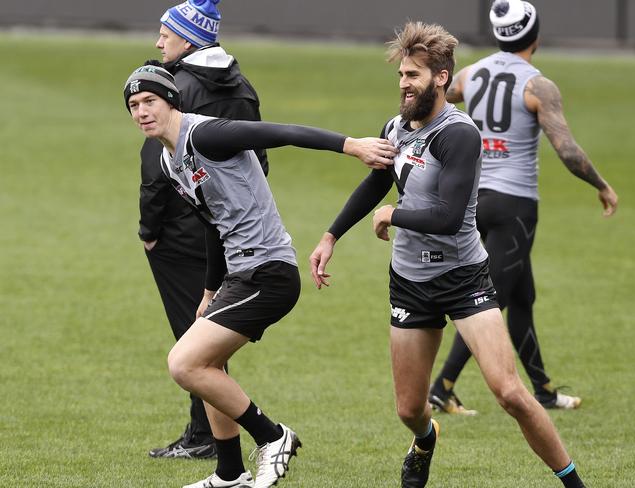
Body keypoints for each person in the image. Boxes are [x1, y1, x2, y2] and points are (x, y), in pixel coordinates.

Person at [309, 21, 587, 488]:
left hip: (463, 277)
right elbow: (378, 180)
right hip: (410, 282)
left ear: (441, 77)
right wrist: (331, 235)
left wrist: (392, 217)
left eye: (413, 75)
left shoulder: (459, 134)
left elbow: (448, 215)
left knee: (510, 393)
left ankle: (574, 483)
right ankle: (425, 438)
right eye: (401, 75)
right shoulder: (395, 127)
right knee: (408, 409)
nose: (403, 84)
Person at [124, 63, 397, 488]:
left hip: (268, 273)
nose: (141, 111)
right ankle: (230, 473)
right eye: (134, 105)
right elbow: (213, 223)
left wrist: (353, 146)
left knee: (184, 363)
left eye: (150, 101)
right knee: (207, 362)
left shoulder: (206, 134)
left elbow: (282, 132)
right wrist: (209, 291)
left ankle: (273, 436)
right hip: (240, 275)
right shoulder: (168, 158)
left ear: (172, 102)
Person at [428, 0, 619, 416]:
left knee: (521, 294)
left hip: (473, 200)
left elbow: (436, 99)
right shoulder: (538, 86)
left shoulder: (470, 75)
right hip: (515, 206)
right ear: (535, 35)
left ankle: (544, 389)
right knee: (487, 299)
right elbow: (567, 151)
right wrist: (601, 184)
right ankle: (441, 389)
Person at [140, 0, 270, 459]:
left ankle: (208, 440)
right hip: (230, 231)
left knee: (193, 340)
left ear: (189, 37)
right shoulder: (241, 84)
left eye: (166, 33)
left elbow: (156, 168)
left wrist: (149, 228)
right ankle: (214, 440)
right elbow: (261, 159)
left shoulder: (173, 87)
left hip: (180, 231)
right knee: (208, 337)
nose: (158, 42)